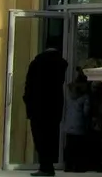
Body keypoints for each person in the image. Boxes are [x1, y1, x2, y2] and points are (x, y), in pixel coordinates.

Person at [23, 42, 68, 176]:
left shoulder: (37, 63)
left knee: (40, 137)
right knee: (51, 136)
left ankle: (45, 167)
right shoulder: (61, 64)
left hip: (38, 106)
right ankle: (48, 166)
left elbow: (29, 85)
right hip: (55, 106)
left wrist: (27, 100)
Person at [62, 71, 92, 173]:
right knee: (79, 147)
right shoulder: (85, 97)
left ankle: (68, 166)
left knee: (69, 146)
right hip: (80, 125)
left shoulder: (69, 95)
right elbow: (86, 112)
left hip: (69, 125)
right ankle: (79, 167)